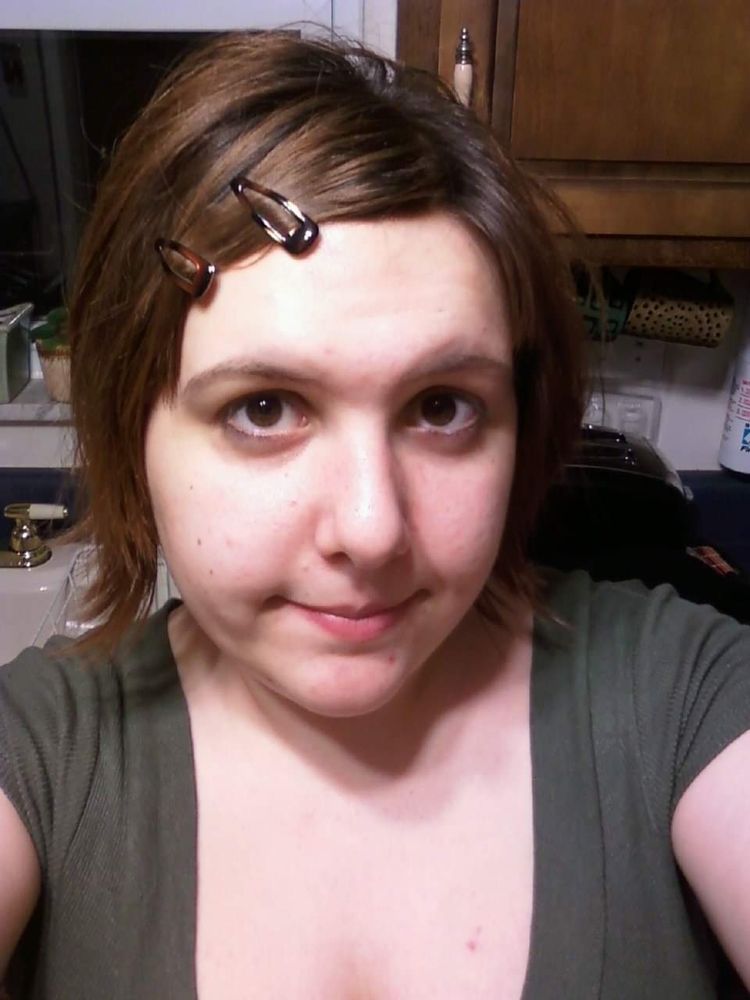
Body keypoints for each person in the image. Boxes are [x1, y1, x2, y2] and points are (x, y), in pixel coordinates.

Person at [0, 30, 748, 1000]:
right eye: (263, 407)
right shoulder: (42, 752)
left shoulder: (677, 697)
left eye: (442, 406)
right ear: (132, 431)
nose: (372, 528)